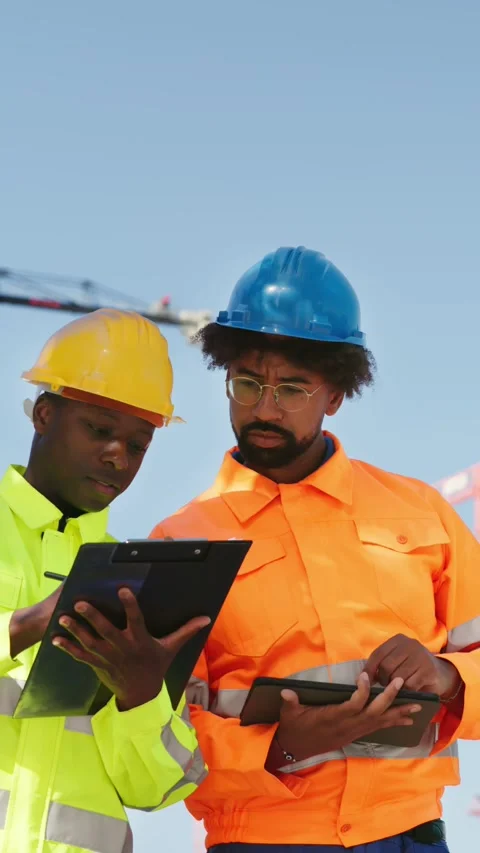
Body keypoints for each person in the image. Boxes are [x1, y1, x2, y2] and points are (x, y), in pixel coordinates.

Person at [150, 247, 480, 852]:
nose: (264, 408)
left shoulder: (421, 512)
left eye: (293, 388)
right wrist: (284, 745)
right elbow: (158, 735)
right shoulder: (182, 543)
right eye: (246, 383)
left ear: (336, 395)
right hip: (264, 838)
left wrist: (446, 676)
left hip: (410, 834)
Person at [0, 308, 208, 853]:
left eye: (138, 444)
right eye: (98, 429)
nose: (117, 455)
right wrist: (21, 627)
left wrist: (138, 694)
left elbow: (164, 786)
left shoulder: (138, 587)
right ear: (43, 414)